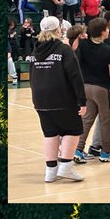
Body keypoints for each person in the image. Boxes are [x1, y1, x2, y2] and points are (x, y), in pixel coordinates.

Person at [28, 14, 88, 182]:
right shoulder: (64, 49)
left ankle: (50, 172)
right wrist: (81, 101)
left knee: (50, 133)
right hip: (62, 97)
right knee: (73, 130)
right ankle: (66, 167)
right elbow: (75, 76)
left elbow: (32, 76)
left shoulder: (35, 51)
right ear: (59, 30)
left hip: (40, 99)